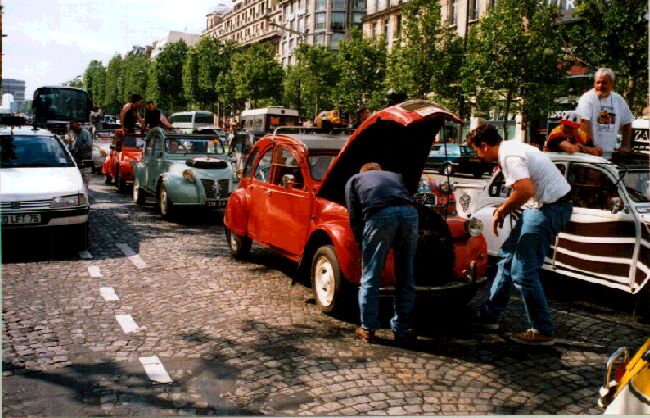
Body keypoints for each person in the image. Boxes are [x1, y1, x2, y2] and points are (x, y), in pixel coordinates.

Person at [467, 124, 573, 346]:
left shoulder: (509, 156)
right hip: (541, 207)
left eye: (476, 151)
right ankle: (490, 316)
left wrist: (501, 210)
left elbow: (525, 190)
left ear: (484, 146)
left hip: (547, 209)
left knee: (523, 272)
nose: (478, 156)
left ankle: (543, 330)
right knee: (506, 257)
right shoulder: (512, 147)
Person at [345, 162, 418, 345]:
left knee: (371, 274)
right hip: (410, 213)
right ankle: (402, 328)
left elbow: (354, 214)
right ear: (379, 171)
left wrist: (361, 244)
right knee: (405, 273)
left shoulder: (354, 180)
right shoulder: (395, 175)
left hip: (380, 215)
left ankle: (368, 328)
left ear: (363, 173)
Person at [576, 68, 635, 159]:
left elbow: (627, 121)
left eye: (604, 83)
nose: (600, 86)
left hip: (610, 156)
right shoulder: (587, 99)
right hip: (589, 156)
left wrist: (625, 145)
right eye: (598, 82)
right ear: (594, 83)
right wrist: (590, 149)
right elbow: (583, 124)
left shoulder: (618, 100)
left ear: (612, 84)